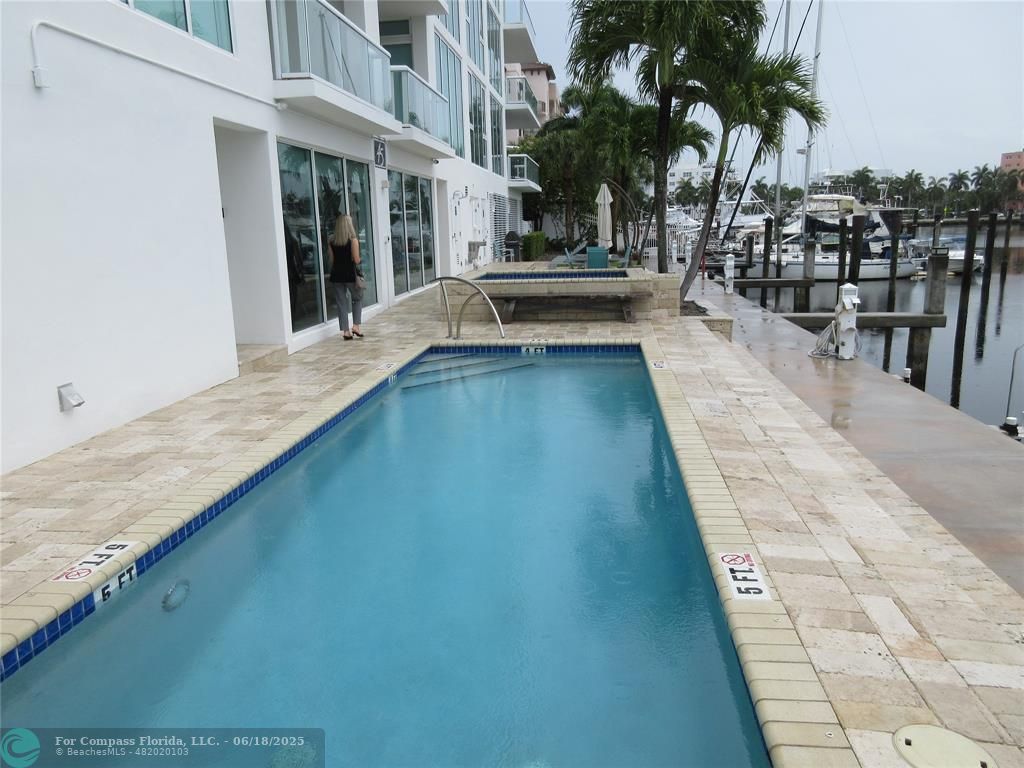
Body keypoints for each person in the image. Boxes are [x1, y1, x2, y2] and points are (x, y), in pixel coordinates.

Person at [328, 214, 364, 340]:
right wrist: (360, 259)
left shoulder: (331, 240)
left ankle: (345, 331)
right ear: (349, 225)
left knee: (341, 303)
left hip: (336, 276)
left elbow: (332, 260)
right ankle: (356, 326)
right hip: (350, 275)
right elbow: (356, 259)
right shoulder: (353, 240)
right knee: (357, 298)